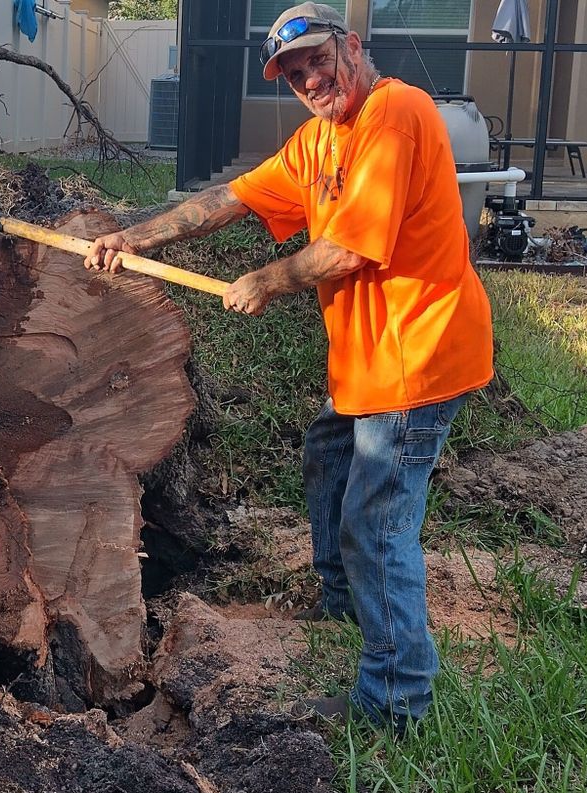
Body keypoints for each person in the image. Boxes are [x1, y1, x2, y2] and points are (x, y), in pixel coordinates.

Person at [84, 2, 493, 731]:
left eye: (317, 59)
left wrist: (267, 280)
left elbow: (351, 250)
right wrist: (133, 237)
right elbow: (227, 199)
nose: (309, 77)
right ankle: (343, 601)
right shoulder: (315, 144)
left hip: (419, 357)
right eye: (293, 72)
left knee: (377, 523)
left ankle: (396, 700)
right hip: (369, 360)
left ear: (353, 46)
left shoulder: (395, 113)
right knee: (328, 450)